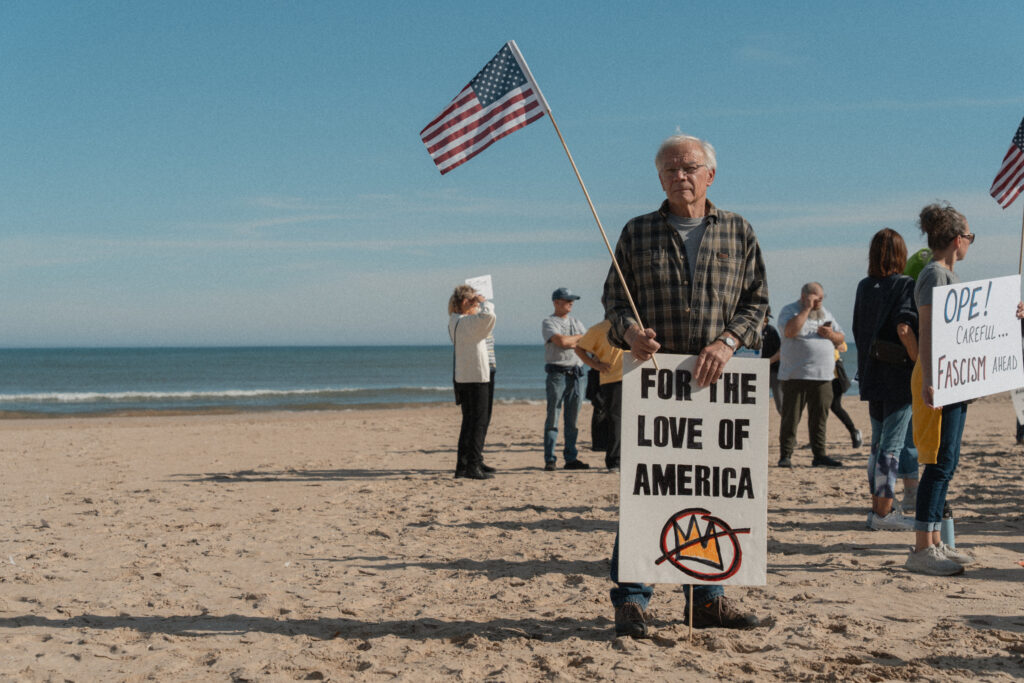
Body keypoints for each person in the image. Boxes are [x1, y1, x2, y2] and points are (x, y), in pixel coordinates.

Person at [602, 133, 768, 637]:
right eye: (670, 169)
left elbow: (757, 303)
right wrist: (630, 332)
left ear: (709, 174)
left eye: (690, 167)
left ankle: (708, 601)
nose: (681, 176)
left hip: (717, 385)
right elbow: (615, 302)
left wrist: (727, 342)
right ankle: (632, 600)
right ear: (659, 178)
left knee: (712, 490)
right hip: (654, 385)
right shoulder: (637, 232)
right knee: (648, 491)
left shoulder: (739, 232)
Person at [906, 202, 1024, 575]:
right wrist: (929, 380)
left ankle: (937, 542)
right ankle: (921, 547)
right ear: (958, 240)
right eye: (970, 236)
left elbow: (970, 328)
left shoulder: (948, 278)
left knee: (948, 461)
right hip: (938, 379)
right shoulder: (934, 276)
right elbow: (927, 331)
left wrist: (1011, 314)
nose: (970, 243)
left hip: (952, 379)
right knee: (938, 463)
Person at [852, 228, 918, 532]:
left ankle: (878, 508)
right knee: (890, 447)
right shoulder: (905, 284)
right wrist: (920, 361)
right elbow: (904, 328)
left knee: (878, 445)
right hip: (896, 375)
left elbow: (857, 329)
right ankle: (883, 512)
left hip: (871, 374)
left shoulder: (864, 286)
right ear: (900, 254)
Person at [777, 282, 846, 468]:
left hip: (823, 376)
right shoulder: (790, 311)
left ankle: (819, 455)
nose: (819, 302)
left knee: (819, 418)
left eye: (821, 299)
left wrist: (831, 335)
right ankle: (786, 455)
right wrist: (806, 309)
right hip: (796, 375)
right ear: (804, 296)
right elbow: (789, 331)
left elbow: (841, 337)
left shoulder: (826, 313)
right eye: (815, 298)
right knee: (791, 418)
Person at [448, 285, 496, 480]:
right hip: (475, 377)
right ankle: (472, 465)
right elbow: (489, 318)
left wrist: (477, 302)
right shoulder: (466, 323)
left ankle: (464, 464)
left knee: (470, 422)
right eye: (473, 301)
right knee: (477, 422)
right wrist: (484, 302)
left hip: (466, 376)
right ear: (465, 303)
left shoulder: (457, 321)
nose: (477, 304)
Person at [542, 288, 589, 471]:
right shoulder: (548, 322)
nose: (571, 303)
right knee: (553, 415)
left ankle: (571, 458)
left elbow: (585, 342)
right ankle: (550, 459)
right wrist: (577, 339)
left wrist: (574, 340)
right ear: (556, 302)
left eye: (572, 300)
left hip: (576, 373)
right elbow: (561, 342)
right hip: (557, 373)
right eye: (567, 300)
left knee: (573, 420)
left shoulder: (576, 322)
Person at [574, 320, 623, 470]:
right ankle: (614, 461)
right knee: (615, 420)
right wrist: (596, 365)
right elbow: (579, 348)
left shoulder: (640, 323)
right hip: (612, 378)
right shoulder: (599, 329)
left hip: (637, 376)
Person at [830, 343, 862, 448]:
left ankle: (854, 431)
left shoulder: (832, 328)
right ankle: (815, 439)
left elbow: (843, 347)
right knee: (818, 407)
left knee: (835, 407)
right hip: (816, 374)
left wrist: (828, 338)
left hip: (834, 375)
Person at [760, 308, 783, 415]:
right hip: (757, 371)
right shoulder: (750, 332)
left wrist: (766, 363)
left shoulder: (771, 331)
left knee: (780, 403)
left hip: (773, 370)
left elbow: (780, 352)